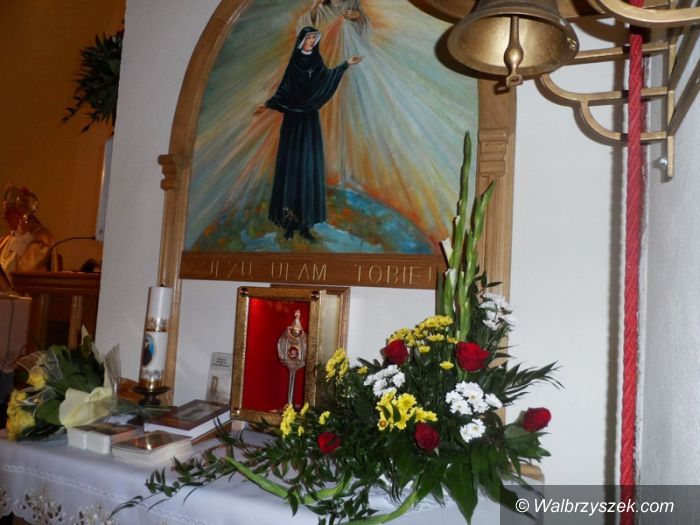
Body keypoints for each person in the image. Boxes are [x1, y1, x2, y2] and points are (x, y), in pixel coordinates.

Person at [255, 26, 363, 242]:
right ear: (302, 40)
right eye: (309, 37)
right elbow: (284, 90)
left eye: (315, 37)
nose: (312, 41)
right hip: (293, 122)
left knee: (308, 167)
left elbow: (327, 78)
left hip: (309, 122)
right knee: (291, 167)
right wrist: (267, 105)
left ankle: (305, 224)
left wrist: (345, 65)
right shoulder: (295, 63)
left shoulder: (317, 61)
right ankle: (288, 223)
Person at [0, 184, 53, 290]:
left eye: (9, 212)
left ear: (22, 212)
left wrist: (23, 239)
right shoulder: (5, 240)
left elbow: (27, 272)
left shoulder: (41, 238)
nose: (4, 216)